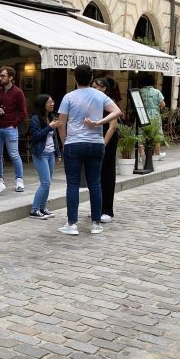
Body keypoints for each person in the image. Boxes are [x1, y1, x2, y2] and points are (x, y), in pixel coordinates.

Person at [56, 64, 122, 236]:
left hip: (74, 143)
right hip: (95, 143)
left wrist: (64, 143)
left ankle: (72, 224)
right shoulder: (100, 95)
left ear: (75, 79)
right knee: (95, 183)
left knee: (72, 184)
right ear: (91, 78)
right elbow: (117, 111)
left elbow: (61, 124)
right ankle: (96, 223)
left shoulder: (68, 97)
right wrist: (99, 123)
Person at [0, 66, 28, 196]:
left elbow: (23, 113)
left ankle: (19, 180)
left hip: (10, 128)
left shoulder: (18, 92)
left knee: (14, 154)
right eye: (0, 76)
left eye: (3, 76)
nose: (0, 78)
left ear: (11, 77)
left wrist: (14, 125)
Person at [93, 77, 121, 223]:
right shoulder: (94, 101)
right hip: (95, 138)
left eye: (96, 87)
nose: (94, 89)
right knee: (96, 174)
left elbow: (112, 126)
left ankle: (107, 210)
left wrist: (103, 144)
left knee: (107, 173)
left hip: (107, 140)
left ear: (104, 88)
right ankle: (97, 208)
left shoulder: (110, 102)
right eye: (93, 86)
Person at [29, 94, 59, 220]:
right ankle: (34, 210)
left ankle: (42, 208)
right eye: (49, 102)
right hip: (40, 154)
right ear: (43, 105)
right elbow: (36, 136)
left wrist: (58, 153)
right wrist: (49, 127)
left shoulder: (51, 117)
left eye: (52, 101)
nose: (52, 104)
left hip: (51, 153)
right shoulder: (35, 119)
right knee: (45, 183)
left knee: (48, 183)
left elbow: (54, 138)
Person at [137, 74, 166, 159]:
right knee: (156, 133)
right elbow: (163, 104)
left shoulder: (139, 91)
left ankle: (142, 155)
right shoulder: (157, 92)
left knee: (140, 133)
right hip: (154, 114)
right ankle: (157, 154)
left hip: (142, 113)